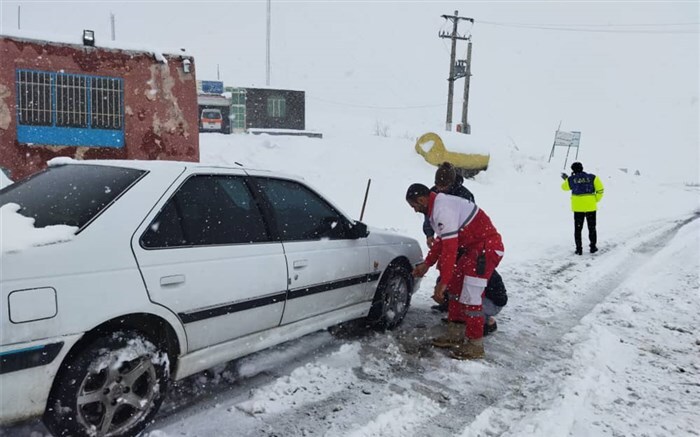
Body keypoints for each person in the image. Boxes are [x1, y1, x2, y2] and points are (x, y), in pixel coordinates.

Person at [407, 183, 504, 360]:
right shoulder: (438, 207)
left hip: (485, 250)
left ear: (421, 199)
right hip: (472, 250)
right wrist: (427, 264)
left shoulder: (442, 209)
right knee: (456, 288)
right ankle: (455, 333)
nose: (415, 210)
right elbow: (441, 242)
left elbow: (450, 249)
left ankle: (475, 345)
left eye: (414, 206)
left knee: (471, 296)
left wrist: (442, 282)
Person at [425, 163, 507, 336]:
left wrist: (444, 281)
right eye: (438, 185)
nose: (441, 189)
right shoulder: (435, 197)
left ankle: (481, 330)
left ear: (452, 182)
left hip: (474, 249)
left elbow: (453, 241)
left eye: (444, 185)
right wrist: (428, 256)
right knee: (454, 282)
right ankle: (455, 323)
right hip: (464, 245)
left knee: (469, 295)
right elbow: (438, 228)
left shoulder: (462, 196)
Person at [561, 162, 604, 255]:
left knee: (578, 229)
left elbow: (564, 188)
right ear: (582, 168)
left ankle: (579, 249)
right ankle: (593, 247)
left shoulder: (572, 179)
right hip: (591, 207)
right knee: (592, 228)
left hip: (578, 208)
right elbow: (600, 190)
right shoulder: (592, 177)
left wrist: (567, 179)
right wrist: (595, 199)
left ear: (572, 170)